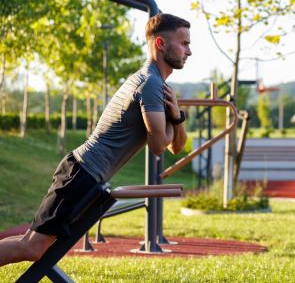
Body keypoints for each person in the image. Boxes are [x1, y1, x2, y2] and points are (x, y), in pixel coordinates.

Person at [0, 13, 191, 267]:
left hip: (88, 175)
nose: (189, 51)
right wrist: (175, 117)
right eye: (184, 43)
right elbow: (158, 147)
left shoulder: (159, 86)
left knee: (34, 246)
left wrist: (176, 117)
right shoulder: (150, 84)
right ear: (160, 44)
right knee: (32, 247)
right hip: (81, 173)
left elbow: (176, 146)